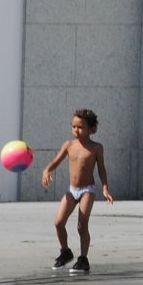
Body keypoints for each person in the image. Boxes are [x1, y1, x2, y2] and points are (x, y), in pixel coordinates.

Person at [40, 109, 113, 272]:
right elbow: (56, 161)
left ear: (91, 129)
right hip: (72, 190)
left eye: (80, 127)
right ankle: (65, 252)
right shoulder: (69, 145)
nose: (76, 130)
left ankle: (83, 259)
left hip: (87, 190)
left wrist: (105, 187)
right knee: (58, 222)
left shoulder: (96, 148)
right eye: (73, 126)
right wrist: (47, 171)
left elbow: (102, 169)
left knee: (82, 225)